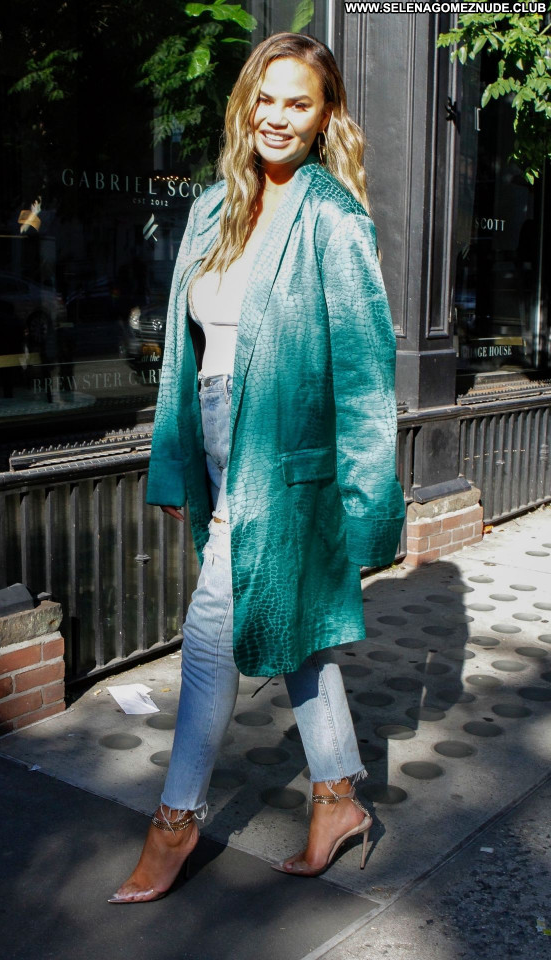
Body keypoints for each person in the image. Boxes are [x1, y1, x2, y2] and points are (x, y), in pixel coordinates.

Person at [109, 32, 406, 904]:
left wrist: (369, 505)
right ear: (246, 105)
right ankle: (338, 800)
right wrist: (176, 465)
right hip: (215, 440)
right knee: (289, 626)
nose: (277, 117)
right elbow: (185, 357)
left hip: (284, 465)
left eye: (298, 102)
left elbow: (366, 377)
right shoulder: (211, 208)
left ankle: (174, 822)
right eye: (265, 99)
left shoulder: (333, 219)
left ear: (324, 117)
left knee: (212, 632)